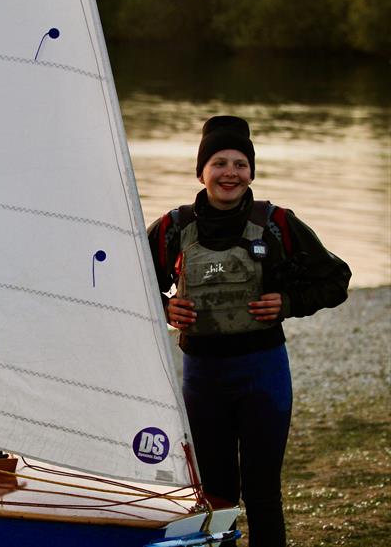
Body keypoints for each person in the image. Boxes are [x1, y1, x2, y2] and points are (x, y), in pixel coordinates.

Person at [147, 116, 351, 546]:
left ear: (251, 172)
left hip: (263, 375)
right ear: (201, 171)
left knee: (262, 493)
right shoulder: (173, 228)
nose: (230, 173)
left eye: (240, 164)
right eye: (219, 163)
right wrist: (164, 305)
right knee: (217, 496)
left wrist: (290, 302)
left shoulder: (277, 223)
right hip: (203, 379)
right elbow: (125, 282)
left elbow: (336, 279)